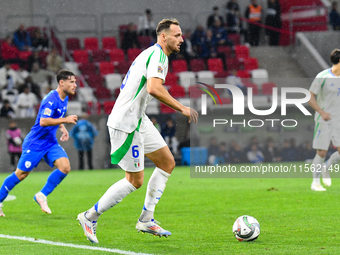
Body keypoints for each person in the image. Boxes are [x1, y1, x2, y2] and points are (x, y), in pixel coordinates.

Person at [77, 18, 198, 243]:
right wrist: (182, 107)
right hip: (126, 123)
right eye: (177, 35)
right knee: (134, 181)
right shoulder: (158, 55)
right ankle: (89, 216)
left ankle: (146, 218)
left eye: (181, 35)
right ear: (164, 36)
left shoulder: (153, 54)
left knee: (167, 162)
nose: (182, 39)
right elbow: (153, 88)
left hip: (138, 119)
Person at [0, 69, 78, 217]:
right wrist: (65, 120)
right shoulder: (50, 99)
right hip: (35, 143)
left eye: (75, 82)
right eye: (72, 82)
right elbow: (43, 121)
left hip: (50, 142)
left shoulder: (65, 98)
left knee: (65, 167)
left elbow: (57, 115)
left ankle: (41, 195)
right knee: (21, 174)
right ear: (61, 83)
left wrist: (62, 128)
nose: (75, 85)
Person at [309, 49, 340, 191]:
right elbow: (310, 96)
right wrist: (321, 112)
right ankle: (315, 183)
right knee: (321, 151)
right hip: (324, 119)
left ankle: (326, 168)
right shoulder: (323, 76)